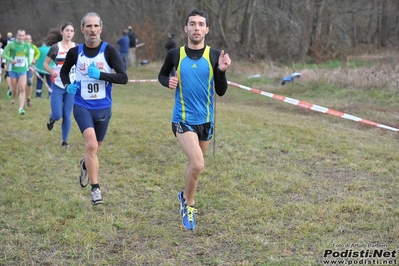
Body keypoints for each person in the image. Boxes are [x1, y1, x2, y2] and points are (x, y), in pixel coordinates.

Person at [158, 8, 231, 230]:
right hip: (183, 119)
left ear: (207, 29)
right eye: (192, 24)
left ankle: (184, 196)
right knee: (198, 163)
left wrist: (221, 71)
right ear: (186, 28)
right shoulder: (175, 54)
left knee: (195, 168)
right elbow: (162, 74)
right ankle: (189, 205)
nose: (196, 28)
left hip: (206, 121)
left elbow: (221, 92)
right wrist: (167, 81)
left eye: (200, 24)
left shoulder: (214, 54)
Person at [60, 12, 128, 205]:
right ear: (82, 29)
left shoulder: (109, 51)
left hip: (104, 108)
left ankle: (85, 163)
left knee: (95, 150)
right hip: (82, 105)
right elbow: (64, 72)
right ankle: (95, 189)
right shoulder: (75, 52)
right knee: (90, 145)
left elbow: (123, 77)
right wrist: (67, 86)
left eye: (95, 26)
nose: (92, 30)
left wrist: (101, 75)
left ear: (101, 28)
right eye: (88, 26)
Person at [43, 23, 77, 148]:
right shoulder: (55, 48)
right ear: (62, 32)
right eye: (67, 30)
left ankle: (64, 141)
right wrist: (52, 71)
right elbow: (45, 64)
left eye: (72, 31)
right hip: (58, 85)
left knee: (67, 114)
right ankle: (52, 119)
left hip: (71, 87)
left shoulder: (76, 47)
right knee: (58, 114)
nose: (69, 33)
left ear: (73, 33)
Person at [2, 29, 31, 114]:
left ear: (24, 36)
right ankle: (11, 90)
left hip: (23, 70)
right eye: (19, 35)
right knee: (15, 91)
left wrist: (29, 65)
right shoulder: (11, 44)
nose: (21, 37)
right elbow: (3, 54)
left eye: (22, 36)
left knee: (22, 88)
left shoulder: (27, 45)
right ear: (16, 36)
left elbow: (28, 56)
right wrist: (11, 60)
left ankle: (20, 108)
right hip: (13, 70)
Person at [25, 34, 40, 106]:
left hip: (31, 66)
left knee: (29, 82)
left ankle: (29, 98)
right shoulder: (22, 47)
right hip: (23, 67)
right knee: (22, 84)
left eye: (29, 39)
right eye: (26, 39)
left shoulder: (33, 47)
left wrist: (35, 59)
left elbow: (38, 53)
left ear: (31, 40)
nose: (28, 40)